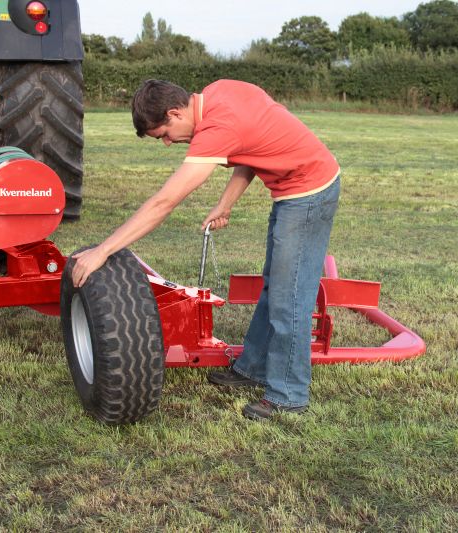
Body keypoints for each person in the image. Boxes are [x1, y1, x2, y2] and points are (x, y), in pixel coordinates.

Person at [71, 79, 341, 420]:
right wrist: (225, 204)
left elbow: (164, 202)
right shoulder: (218, 92)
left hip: (309, 192)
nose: (168, 144)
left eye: (164, 135)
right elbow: (254, 146)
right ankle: (253, 368)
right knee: (275, 287)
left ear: (175, 112)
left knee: (291, 299)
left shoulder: (216, 127)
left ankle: (289, 395)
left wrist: (104, 250)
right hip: (292, 190)